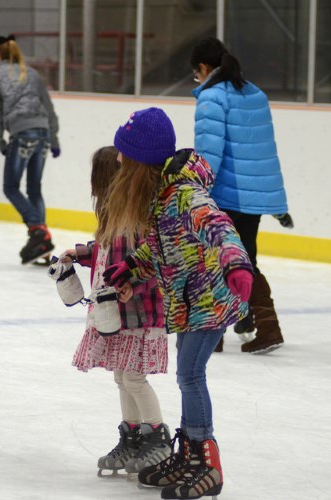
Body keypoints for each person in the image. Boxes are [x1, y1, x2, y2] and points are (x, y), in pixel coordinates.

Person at [101, 107, 253, 499]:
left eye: (124, 154)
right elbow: (160, 246)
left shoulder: (185, 194)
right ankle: (189, 453)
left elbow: (220, 226)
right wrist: (132, 268)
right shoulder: (161, 193)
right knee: (188, 374)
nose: (118, 159)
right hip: (189, 303)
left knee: (190, 375)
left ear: (141, 160)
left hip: (212, 300)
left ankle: (207, 462)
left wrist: (237, 266)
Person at [59, 146, 170, 477]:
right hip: (117, 313)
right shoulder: (113, 216)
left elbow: (154, 263)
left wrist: (133, 287)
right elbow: (106, 252)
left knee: (133, 376)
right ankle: (132, 436)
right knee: (122, 376)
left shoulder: (137, 218)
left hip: (140, 313)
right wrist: (79, 254)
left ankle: (157, 437)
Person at [190, 37, 292, 354]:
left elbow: (210, 152)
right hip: (252, 197)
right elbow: (264, 152)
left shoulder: (211, 97)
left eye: (196, 73)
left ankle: (215, 333)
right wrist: (276, 204)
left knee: (213, 260)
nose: (196, 79)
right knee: (244, 258)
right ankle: (254, 322)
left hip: (226, 195)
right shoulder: (255, 93)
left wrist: (197, 188)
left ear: (204, 68)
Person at [0, 34, 60, 265]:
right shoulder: (31, 73)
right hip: (43, 132)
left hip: (22, 133)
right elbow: (48, 106)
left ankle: (37, 231)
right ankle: (43, 246)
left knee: (10, 187)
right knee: (34, 189)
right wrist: (54, 138)